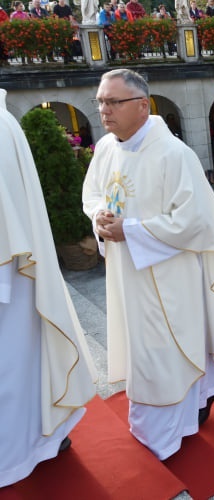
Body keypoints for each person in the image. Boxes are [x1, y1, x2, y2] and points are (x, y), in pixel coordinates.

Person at [82, 69, 214, 460]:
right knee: (142, 348)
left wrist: (130, 231)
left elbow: (195, 221)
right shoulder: (105, 149)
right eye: (100, 101)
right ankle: (159, 418)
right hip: (125, 274)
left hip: (168, 277)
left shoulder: (175, 155)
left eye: (112, 102)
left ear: (140, 105)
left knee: (164, 351)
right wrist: (100, 215)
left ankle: (172, 426)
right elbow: (93, 193)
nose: (104, 110)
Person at [0, 90, 97, 488]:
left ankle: (22, 451)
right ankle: (46, 438)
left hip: (11, 273)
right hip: (16, 271)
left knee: (16, 367)